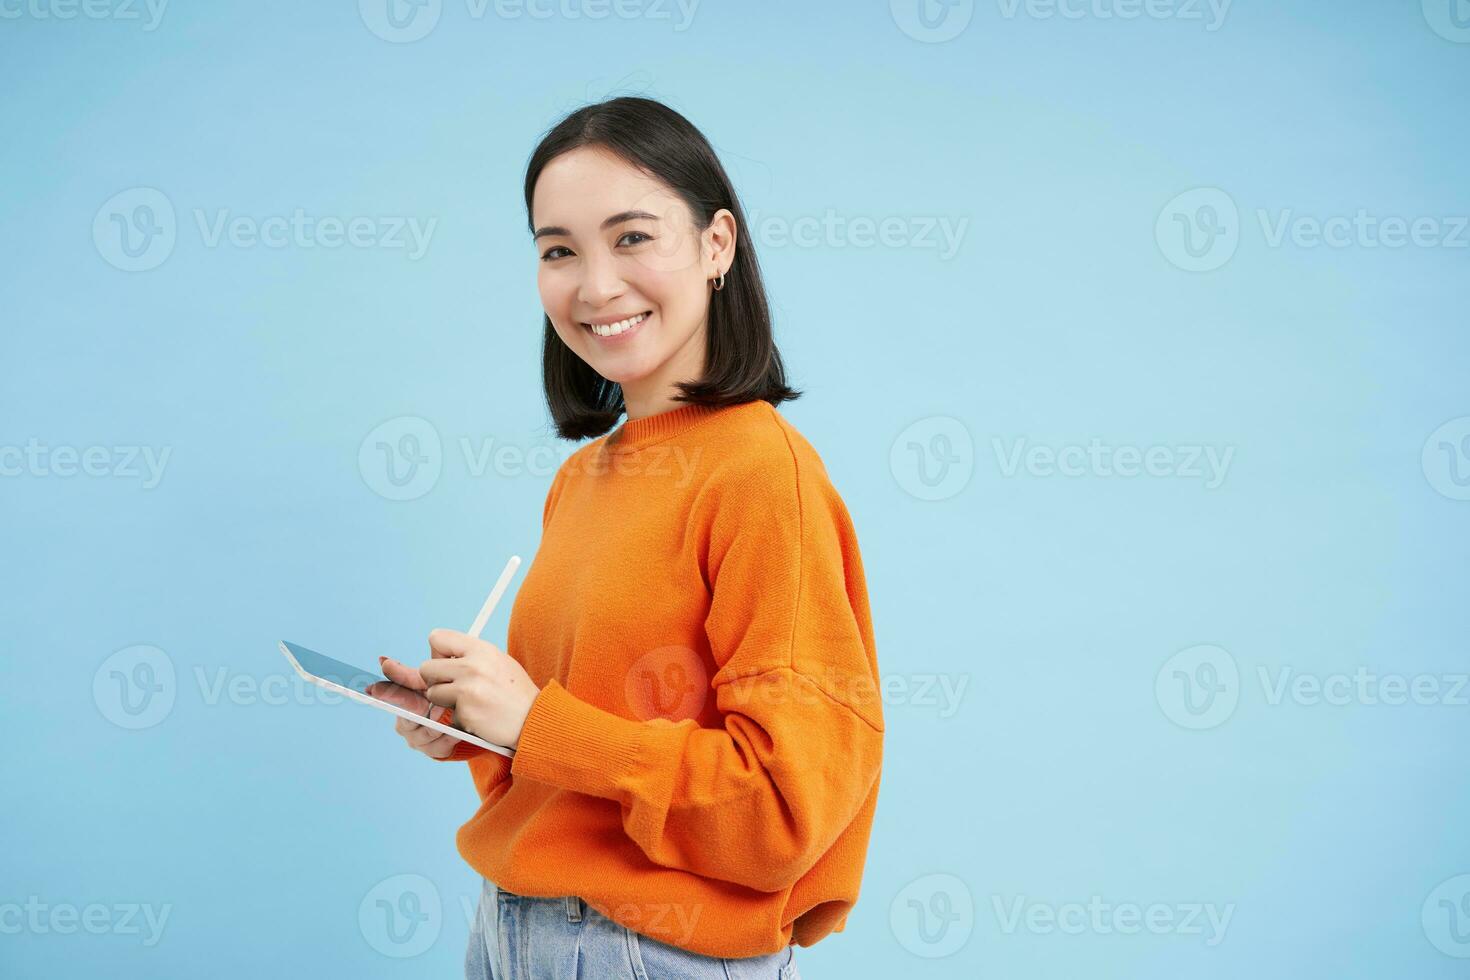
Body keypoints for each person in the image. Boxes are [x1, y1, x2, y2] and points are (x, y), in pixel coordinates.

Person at [376, 96, 884, 980]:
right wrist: (483, 727)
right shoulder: (582, 479)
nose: (596, 285)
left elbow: (779, 812)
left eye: (633, 237)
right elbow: (588, 752)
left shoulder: (764, 476)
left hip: (650, 951)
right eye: (558, 250)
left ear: (716, 245)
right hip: (510, 931)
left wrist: (540, 723)